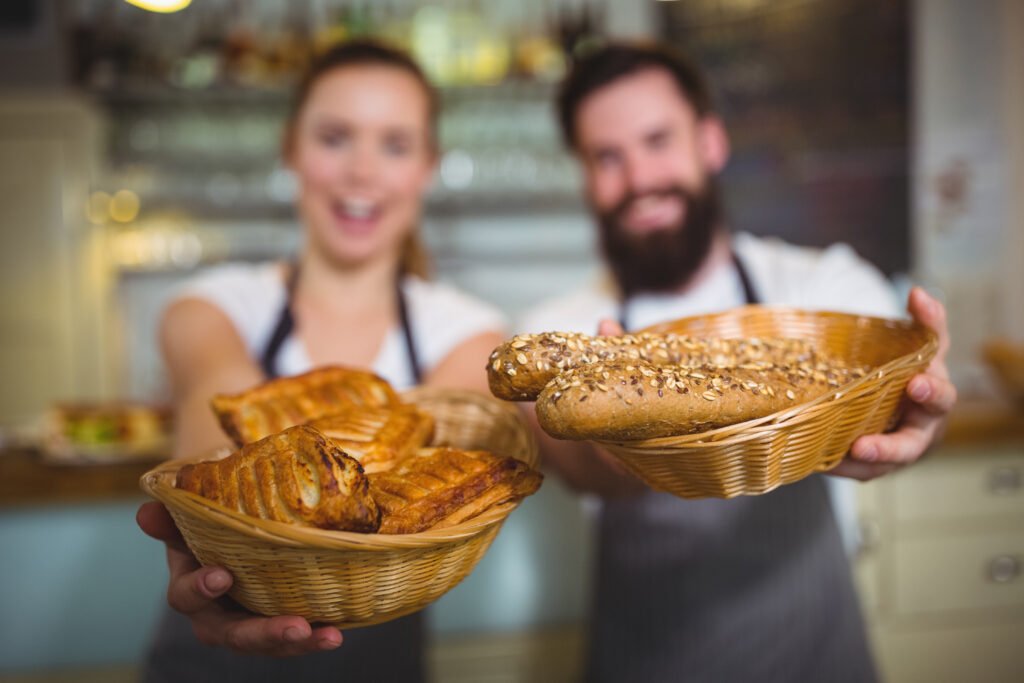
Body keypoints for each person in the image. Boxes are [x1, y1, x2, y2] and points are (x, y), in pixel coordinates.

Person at [518, 42, 956, 682]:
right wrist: (619, 450)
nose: (639, 178)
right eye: (607, 157)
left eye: (658, 140)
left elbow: (907, 408)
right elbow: (576, 462)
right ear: (584, 176)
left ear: (712, 142)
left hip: (820, 657)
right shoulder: (559, 334)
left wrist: (921, 421)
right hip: (646, 661)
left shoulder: (823, 293)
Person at [135, 39, 506, 682]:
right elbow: (212, 423)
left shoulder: (468, 335)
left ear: (428, 166)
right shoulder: (210, 307)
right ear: (291, 151)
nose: (362, 171)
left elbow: (441, 478)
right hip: (213, 641)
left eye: (395, 144)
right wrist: (209, 534)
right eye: (336, 137)